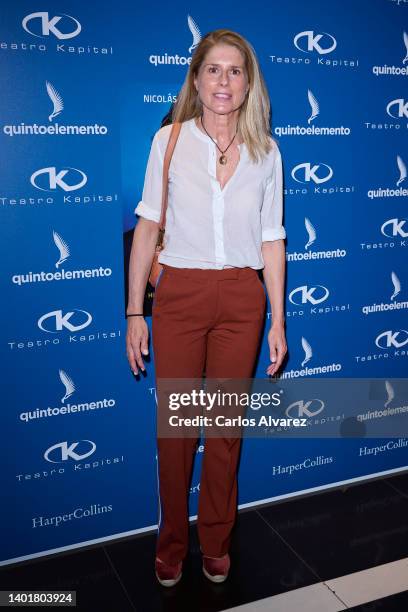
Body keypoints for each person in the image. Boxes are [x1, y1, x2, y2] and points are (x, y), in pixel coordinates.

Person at [126, 28, 287, 587]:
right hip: (181, 295)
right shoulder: (170, 140)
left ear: (249, 83)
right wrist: (133, 315)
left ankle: (216, 540)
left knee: (223, 430)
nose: (224, 81)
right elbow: (147, 227)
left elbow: (271, 240)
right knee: (177, 431)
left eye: (235, 70)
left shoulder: (267, 151)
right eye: (213, 69)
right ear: (196, 79)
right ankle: (171, 542)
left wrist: (277, 321)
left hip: (243, 300)